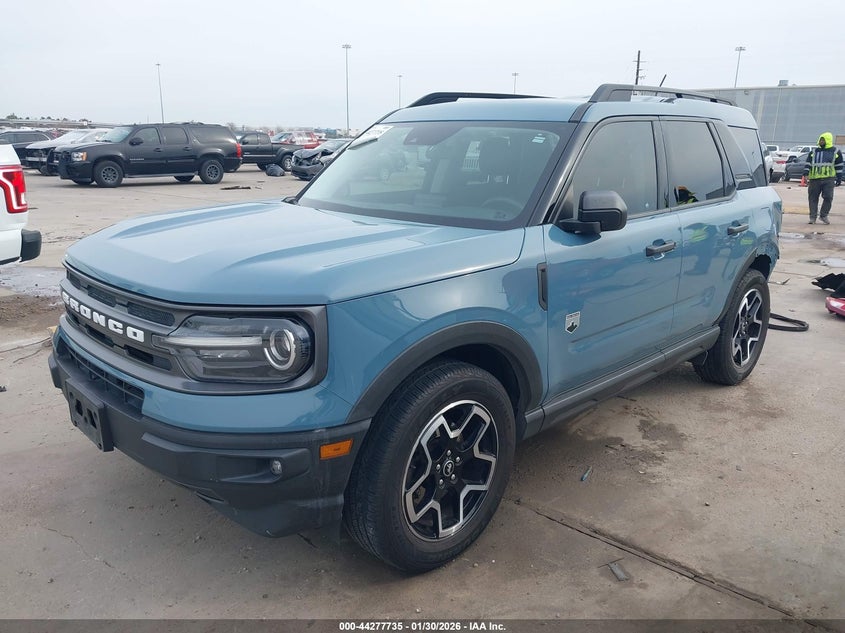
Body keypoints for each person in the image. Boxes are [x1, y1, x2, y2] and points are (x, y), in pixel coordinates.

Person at [803, 132, 843, 224]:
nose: (821, 141)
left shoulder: (836, 152)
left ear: (828, 140)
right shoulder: (813, 152)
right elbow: (808, 163)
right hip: (814, 179)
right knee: (813, 198)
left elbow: (839, 165)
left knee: (828, 197)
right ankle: (812, 217)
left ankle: (823, 215)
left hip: (829, 179)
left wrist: (839, 178)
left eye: (823, 140)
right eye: (820, 139)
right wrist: (805, 173)